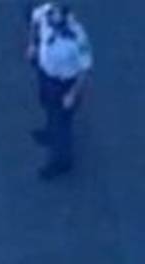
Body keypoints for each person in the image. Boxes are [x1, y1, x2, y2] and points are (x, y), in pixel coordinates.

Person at [26, 2, 93, 180]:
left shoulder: (77, 38)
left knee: (62, 123)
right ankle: (50, 131)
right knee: (46, 104)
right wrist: (32, 43)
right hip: (46, 74)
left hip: (65, 84)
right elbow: (35, 21)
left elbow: (84, 70)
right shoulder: (46, 12)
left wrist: (72, 93)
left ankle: (61, 161)